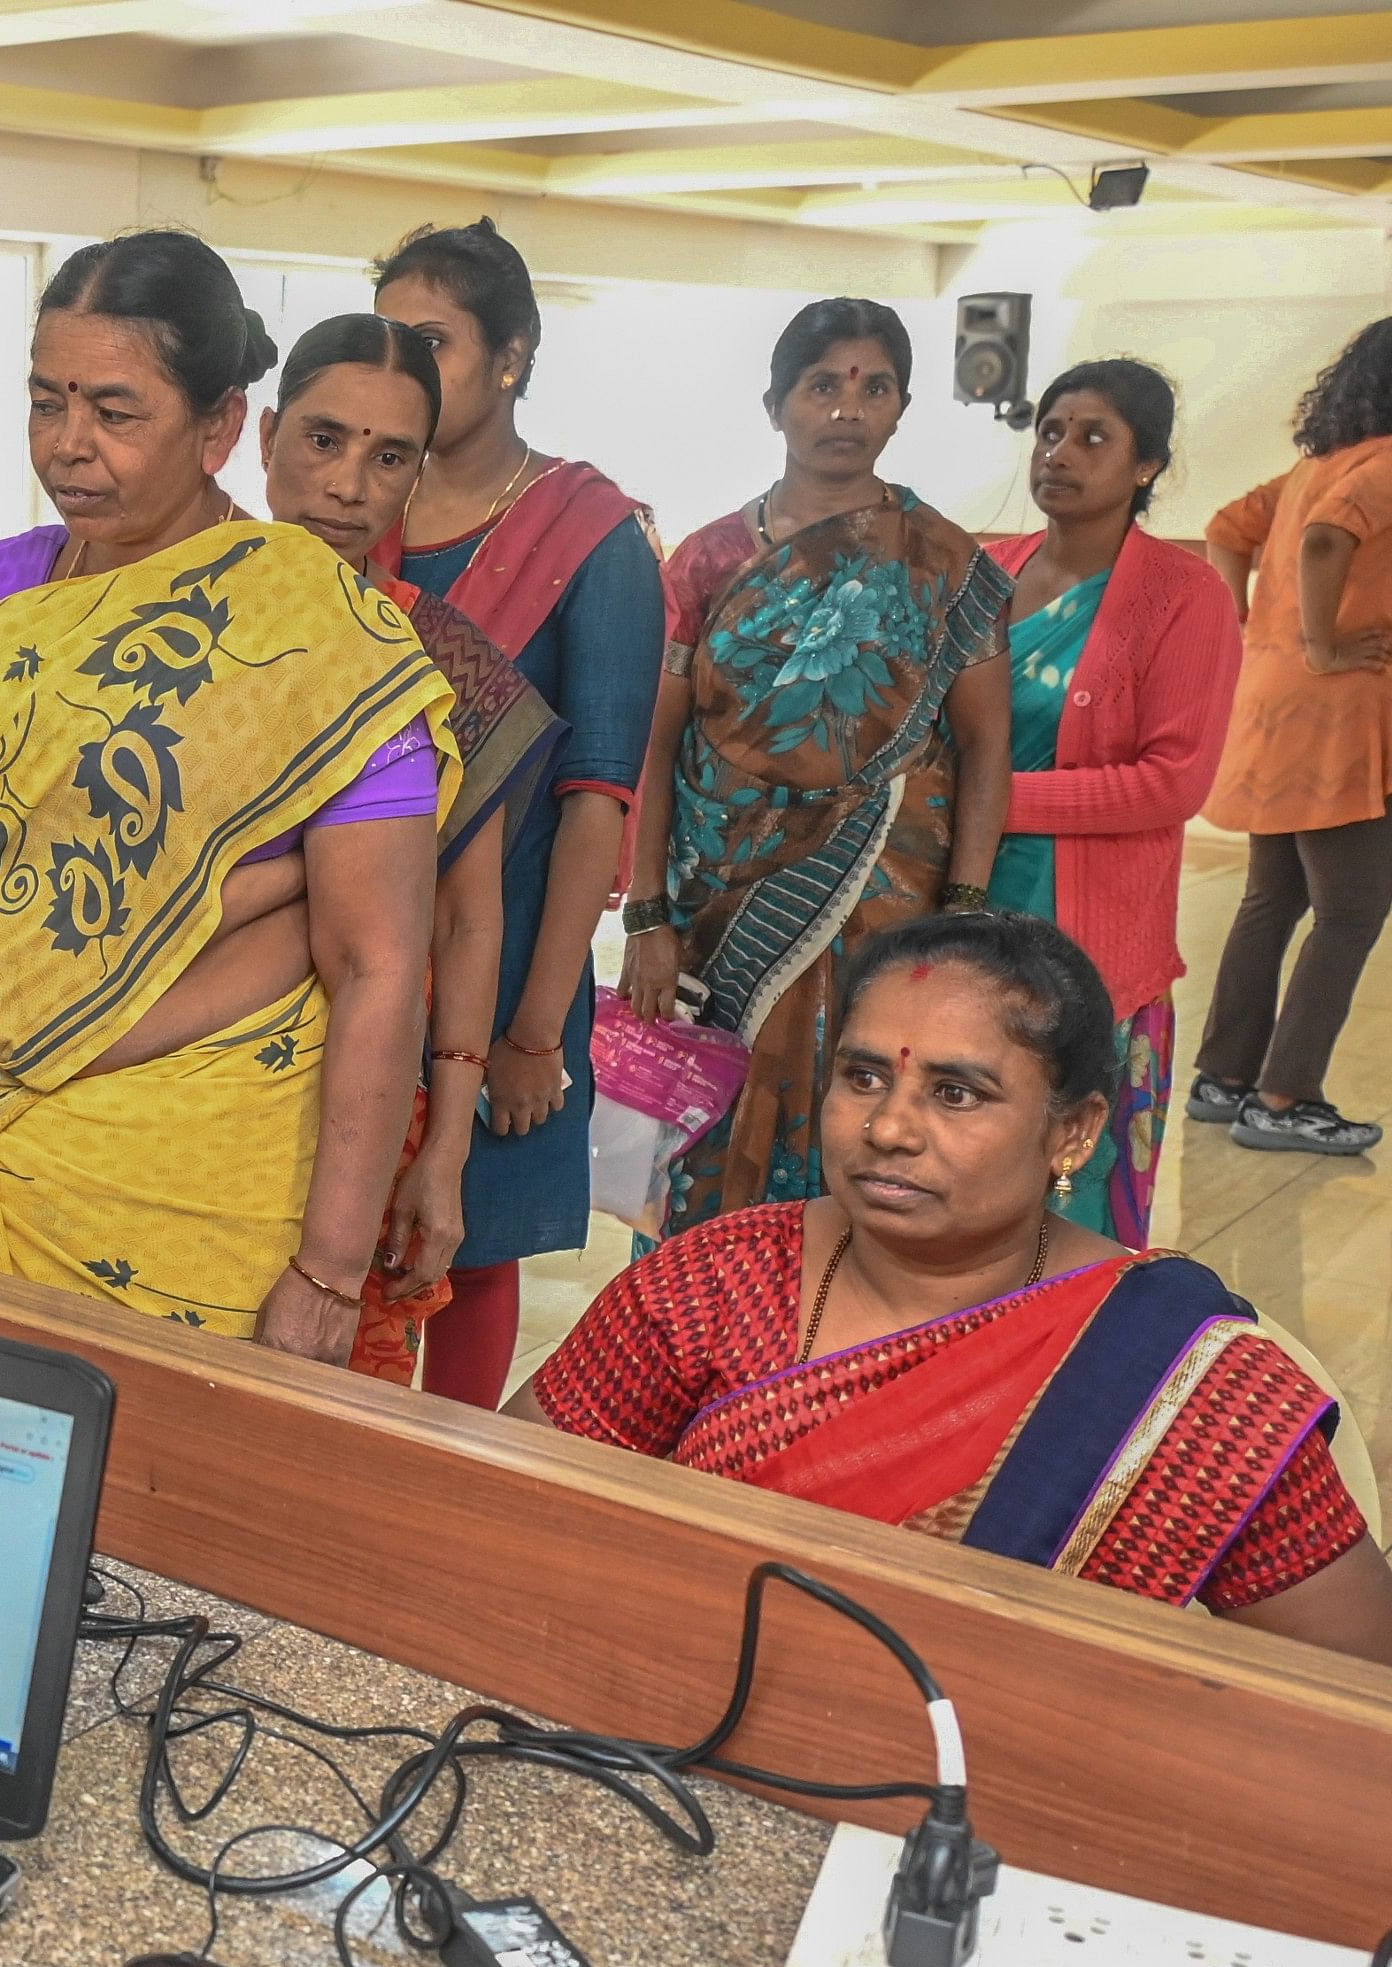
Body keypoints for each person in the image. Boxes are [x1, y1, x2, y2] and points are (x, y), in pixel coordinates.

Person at [517, 914, 1392, 1672]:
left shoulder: (1180, 1380)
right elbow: (505, 1503)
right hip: (665, 1764)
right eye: (863, 1075)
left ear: (1071, 1133)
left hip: (992, 1836)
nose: (886, 1127)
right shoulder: (715, 1278)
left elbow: (1376, 1703)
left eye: (955, 1093)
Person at [0, 231, 446, 1364]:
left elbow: (380, 962)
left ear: (219, 427)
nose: (71, 446)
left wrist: (330, 1267)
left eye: (116, 412)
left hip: (187, 1175)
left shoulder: (315, 631)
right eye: (46, 402)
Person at [624, 298, 1013, 1234]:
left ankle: (827, 1329)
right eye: (822, 385)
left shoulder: (944, 561)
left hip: (883, 904)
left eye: (873, 387)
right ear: (776, 406)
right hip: (714, 903)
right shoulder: (708, 558)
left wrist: (958, 920)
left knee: (864, 1110)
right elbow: (657, 738)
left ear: (900, 408)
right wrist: (645, 914)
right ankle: (693, 1328)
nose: (847, 407)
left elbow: (984, 746)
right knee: (703, 1138)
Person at [367, 217, 657, 1404]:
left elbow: (601, 794)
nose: (405, 368)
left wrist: (535, 1031)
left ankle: (452, 1473)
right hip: (366, 932)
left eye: (430, 340)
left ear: (513, 357)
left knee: (471, 1243)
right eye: (391, 339)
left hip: (517, 936)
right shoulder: (359, 504)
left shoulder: (593, 536)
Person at [251, 313, 522, 1387]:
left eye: (390, 456)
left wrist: (446, 1150)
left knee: (326, 1423)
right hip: (168, 1094)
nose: (349, 483)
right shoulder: (168, 623)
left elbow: (466, 917)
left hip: (361, 1111)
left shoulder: (446, 657)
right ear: (264, 433)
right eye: (323, 439)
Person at [1188, 307, 1392, 1157]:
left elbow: (1221, 530)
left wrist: (1251, 624)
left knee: (1273, 897)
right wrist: (1321, 644)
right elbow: (1324, 542)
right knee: (1352, 908)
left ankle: (1223, 1076)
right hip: (1337, 713)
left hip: (1279, 704)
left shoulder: (1319, 461)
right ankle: (1284, 1096)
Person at [982, 360, 1240, 1244]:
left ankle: (1062, 1355)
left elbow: (1172, 781)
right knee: (959, 1157)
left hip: (1089, 940)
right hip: (964, 915)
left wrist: (989, 802)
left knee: (1062, 1189)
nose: (1060, 454)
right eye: (1050, 432)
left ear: (1146, 467)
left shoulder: (1183, 595)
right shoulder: (986, 572)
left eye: (1094, 438)